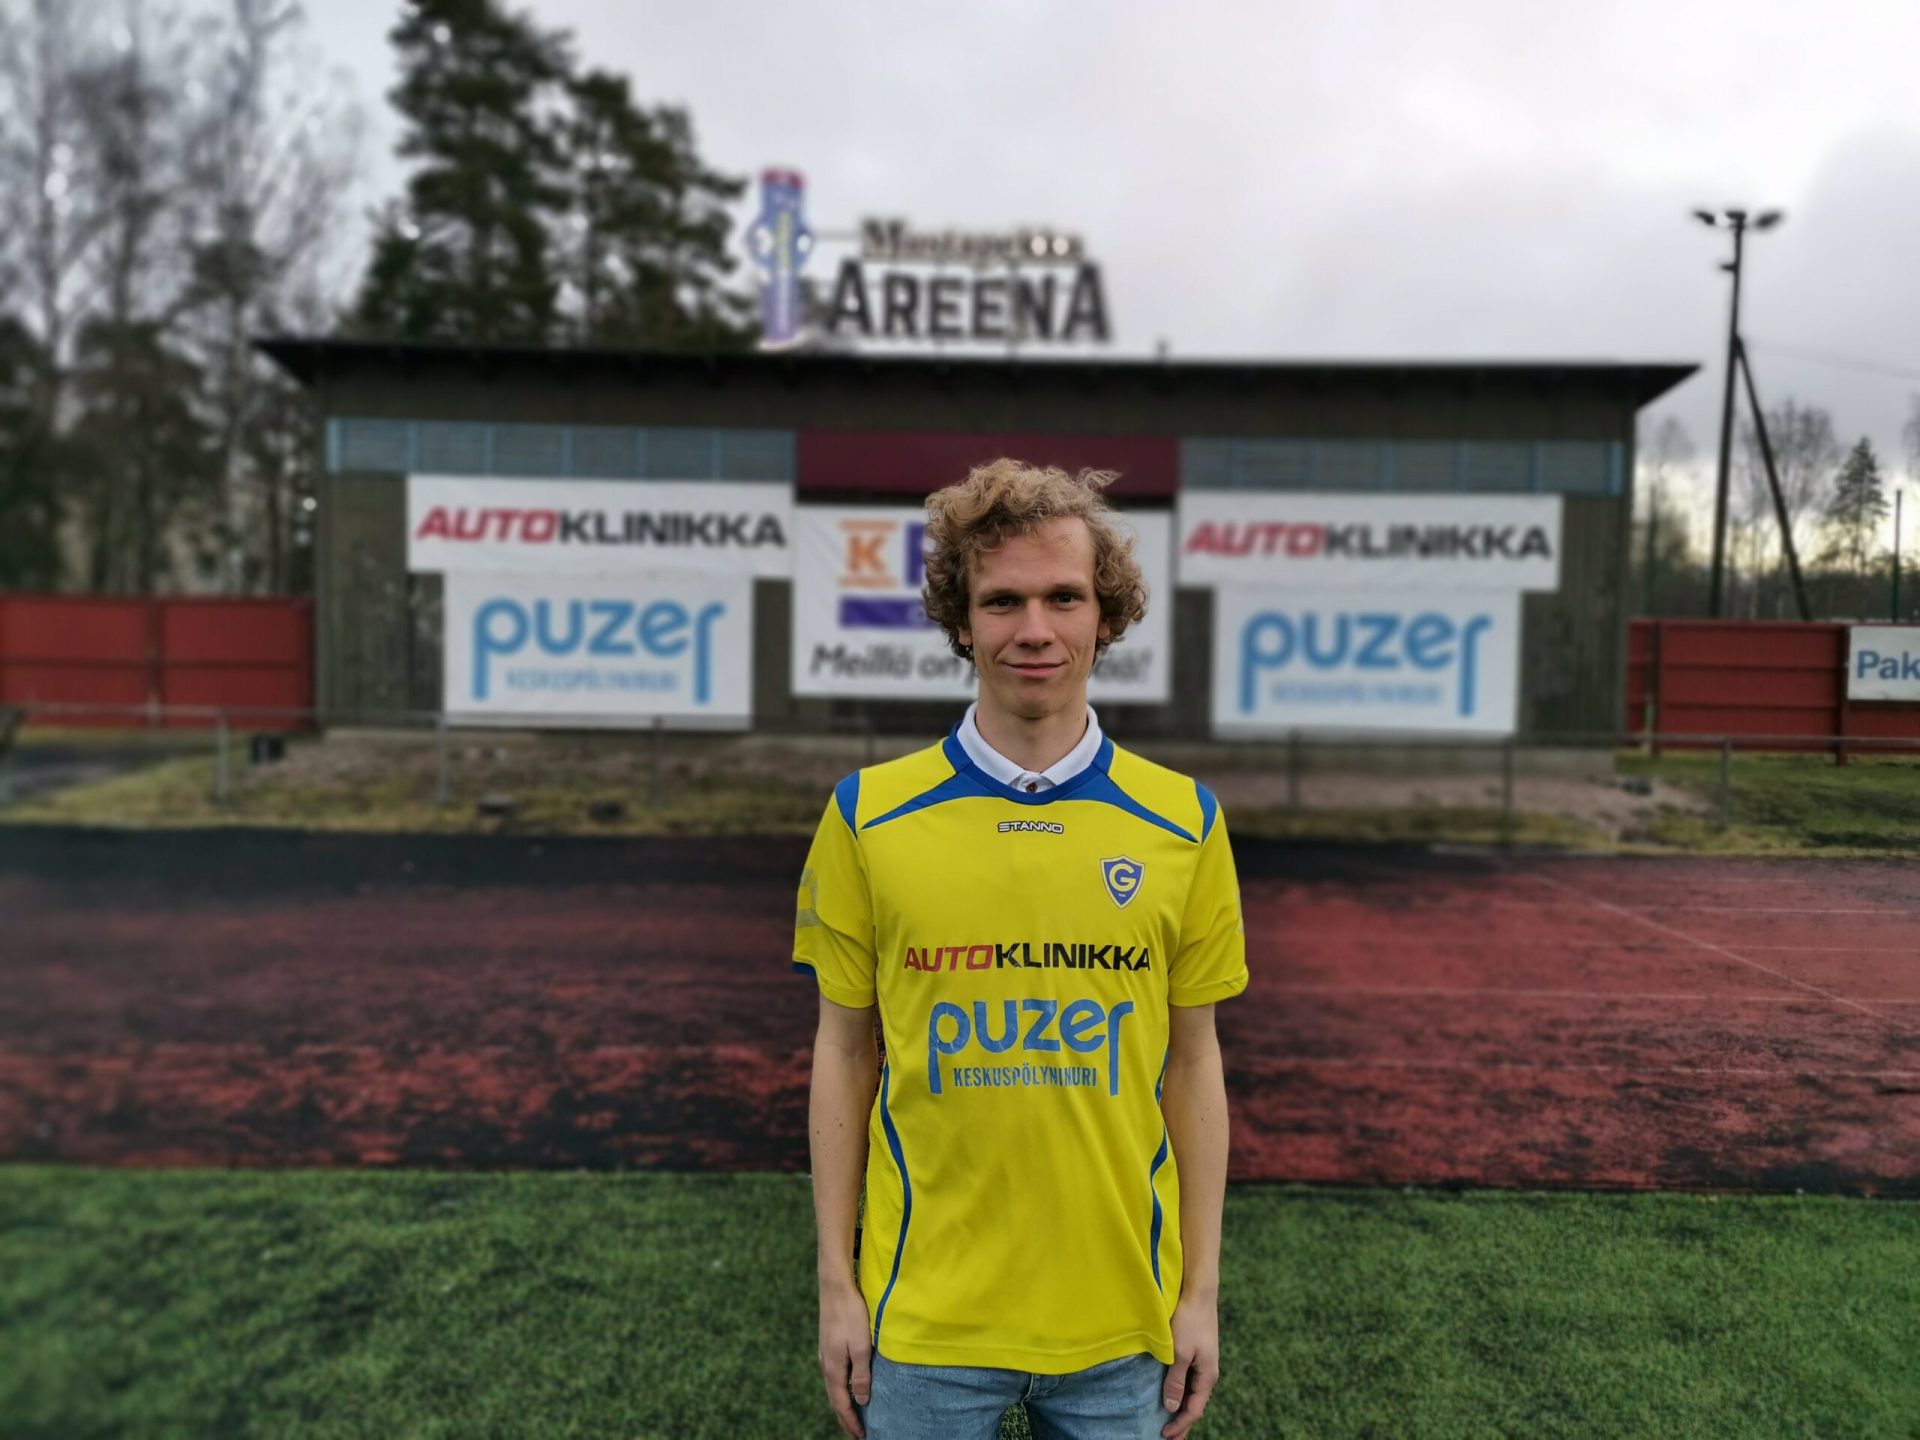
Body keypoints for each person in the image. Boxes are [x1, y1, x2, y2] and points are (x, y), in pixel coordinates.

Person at [794, 459, 1247, 1440]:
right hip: (923, 1322)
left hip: (1123, 1326)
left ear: (1104, 615)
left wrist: (1200, 1292)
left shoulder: (1184, 823)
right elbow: (842, 1049)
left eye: (1063, 598)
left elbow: (1195, 1060)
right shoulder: (868, 816)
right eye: (1001, 601)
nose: (1033, 629)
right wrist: (838, 1284)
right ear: (961, 622)